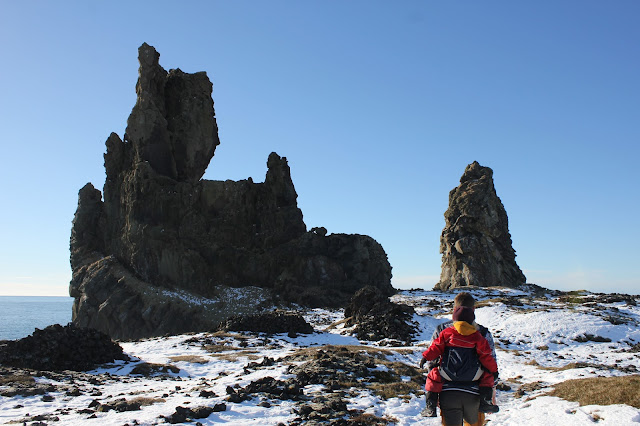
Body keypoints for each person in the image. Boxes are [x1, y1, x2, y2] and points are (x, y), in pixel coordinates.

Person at [419, 292, 499, 422]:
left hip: (447, 392)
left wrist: (436, 393)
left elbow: (432, 362)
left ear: (454, 310)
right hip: (476, 393)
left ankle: (430, 406)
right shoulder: (482, 333)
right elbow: (491, 363)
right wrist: (491, 393)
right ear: (473, 310)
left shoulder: (442, 330)